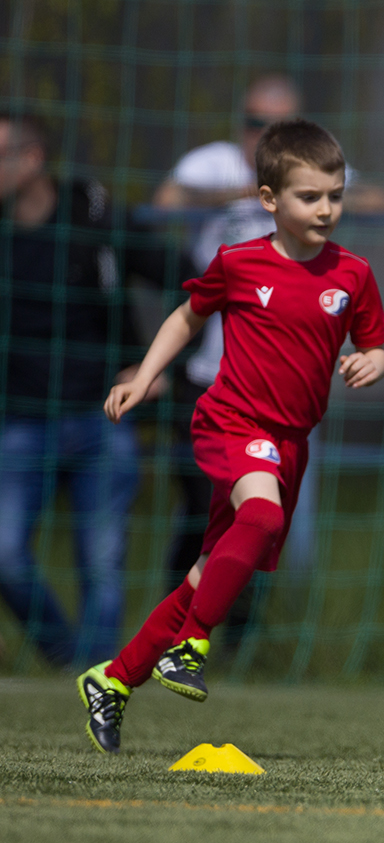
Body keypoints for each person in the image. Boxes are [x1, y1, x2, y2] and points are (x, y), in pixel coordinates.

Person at [77, 119, 384, 754]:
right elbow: (186, 317)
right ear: (269, 199)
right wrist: (145, 375)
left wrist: (372, 362)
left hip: (290, 443)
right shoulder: (240, 262)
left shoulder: (352, 274)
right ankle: (191, 646)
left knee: (208, 573)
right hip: (233, 422)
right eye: (310, 196)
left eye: (335, 196)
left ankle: (112, 680)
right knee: (263, 518)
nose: (325, 209)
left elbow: (375, 342)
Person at [154, 75, 384, 586]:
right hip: (211, 378)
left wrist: (304, 194)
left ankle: (237, 620)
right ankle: (182, 612)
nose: (263, 135)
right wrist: (252, 191)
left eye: (278, 126)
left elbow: (381, 202)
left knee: (260, 520)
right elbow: (166, 199)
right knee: (207, 505)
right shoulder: (216, 163)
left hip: (282, 391)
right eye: (254, 123)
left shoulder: (314, 187)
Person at [0, 114, 194, 669]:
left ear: (31, 159)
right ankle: (66, 657)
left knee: (102, 562)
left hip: (100, 417)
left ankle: (99, 675)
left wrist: (157, 368)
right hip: (19, 421)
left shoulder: (95, 218)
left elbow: (191, 282)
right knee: (6, 552)